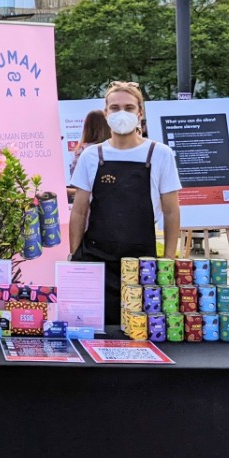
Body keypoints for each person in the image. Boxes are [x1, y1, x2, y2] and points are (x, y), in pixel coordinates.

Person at [68, 81, 182, 328]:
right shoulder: (92, 156)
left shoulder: (159, 154)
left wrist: (169, 259)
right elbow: (79, 211)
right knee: (93, 331)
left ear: (140, 113)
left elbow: (172, 211)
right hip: (95, 258)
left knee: (139, 332)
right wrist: (75, 255)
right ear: (106, 113)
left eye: (129, 108)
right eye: (115, 107)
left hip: (142, 262)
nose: (122, 113)